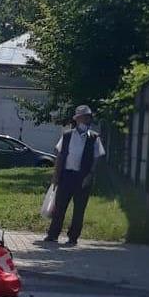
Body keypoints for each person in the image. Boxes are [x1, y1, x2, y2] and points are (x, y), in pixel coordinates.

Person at [45, 105, 106, 246]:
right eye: (84, 117)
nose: (87, 120)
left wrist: (90, 175)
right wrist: (56, 175)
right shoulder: (67, 135)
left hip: (83, 177)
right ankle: (53, 234)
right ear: (78, 119)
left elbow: (97, 159)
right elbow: (60, 156)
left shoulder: (94, 137)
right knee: (60, 206)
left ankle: (73, 237)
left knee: (79, 209)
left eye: (88, 117)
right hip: (67, 175)